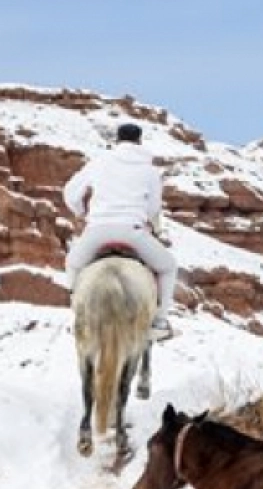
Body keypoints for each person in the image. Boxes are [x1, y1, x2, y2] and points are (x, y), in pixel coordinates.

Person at [63, 122, 178, 340]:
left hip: (96, 231)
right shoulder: (150, 170)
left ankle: (79, 314)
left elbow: (70, 192)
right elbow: (153, 207)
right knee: (168, 268)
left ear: (117, 140)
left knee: (73, 264)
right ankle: (160, 321)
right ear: (139, 141)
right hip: (133, 232)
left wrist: (79, 211)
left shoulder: (99, 161)